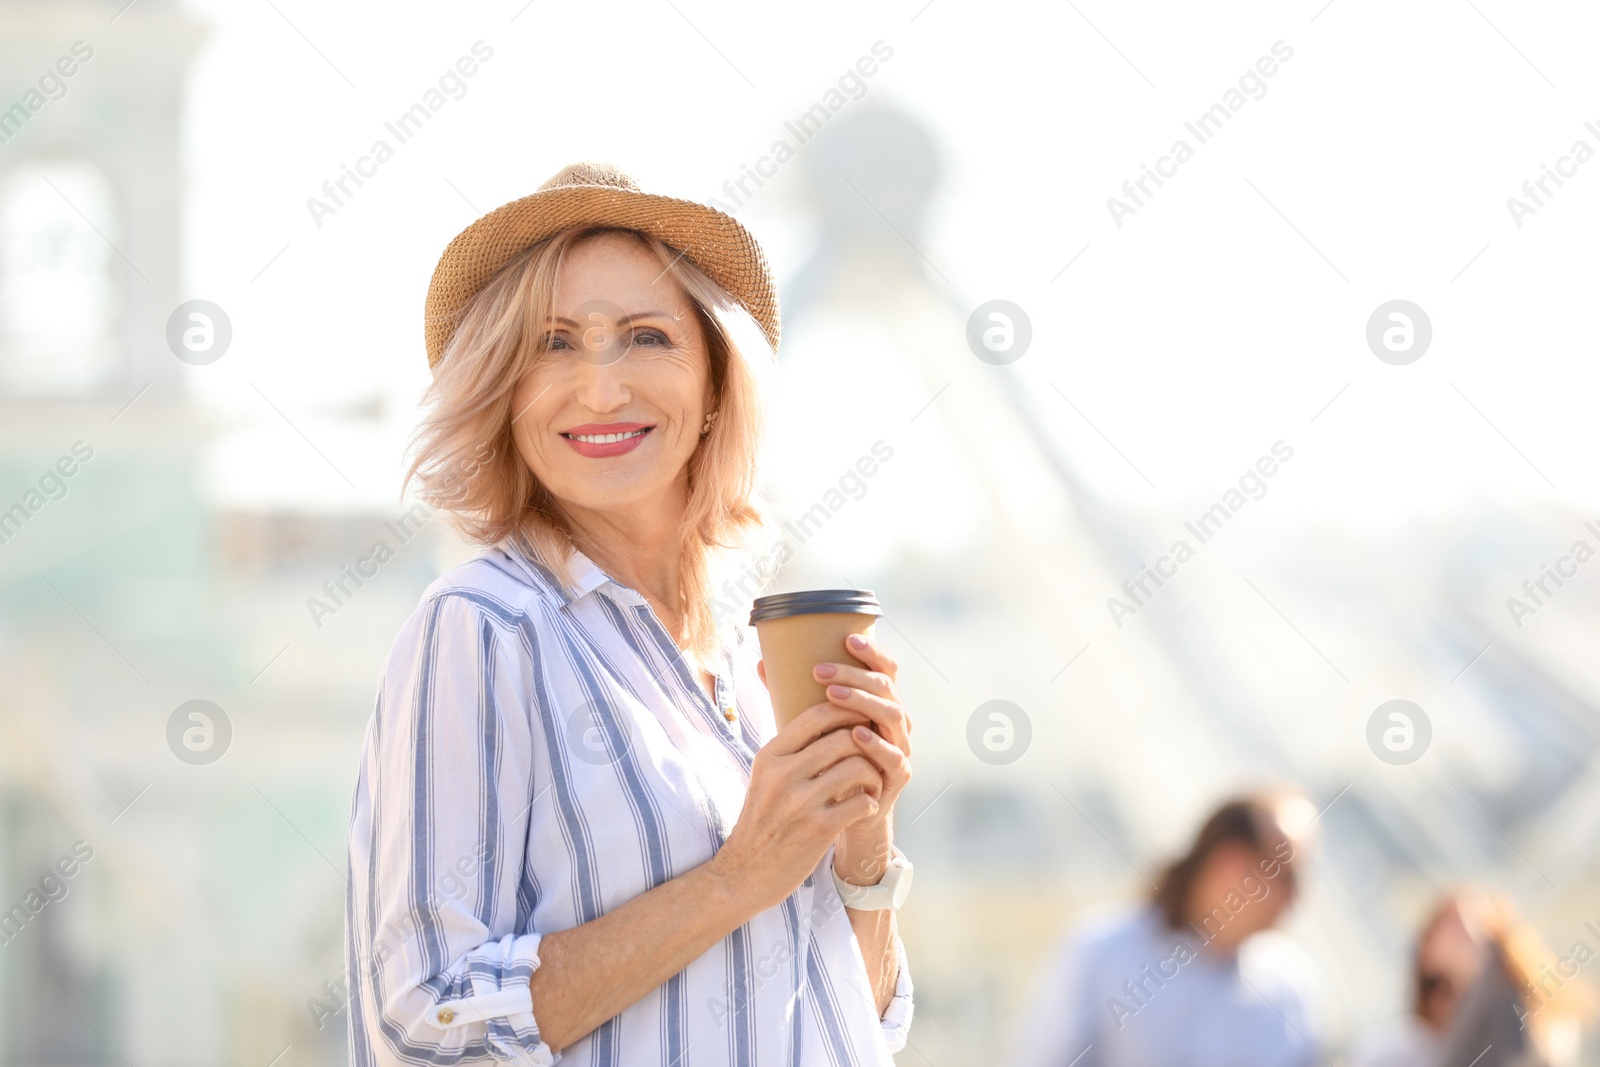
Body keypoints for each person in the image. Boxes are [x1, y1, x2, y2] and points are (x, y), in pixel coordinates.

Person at [343, 162, 915, 1065]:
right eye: (554, 343)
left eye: (647, 336)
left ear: (718, 383)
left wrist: (861, 846)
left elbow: (856, 1023)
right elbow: (426, 1009)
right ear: (503, 392)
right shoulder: (485, 627)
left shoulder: (743, 662)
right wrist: (737, 878)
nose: (602, 388)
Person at [1010, 789, 1323, 1067]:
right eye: (1287, 876)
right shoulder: (1103, 953)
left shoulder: (1291, 984)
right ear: (1231, 863)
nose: (1297, 897)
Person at [1354, 888, 1592, 1067]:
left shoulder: (1520, 997)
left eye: (1453, 920)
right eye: (1436, 929)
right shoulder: (1410, 1040)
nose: (1447, 933)